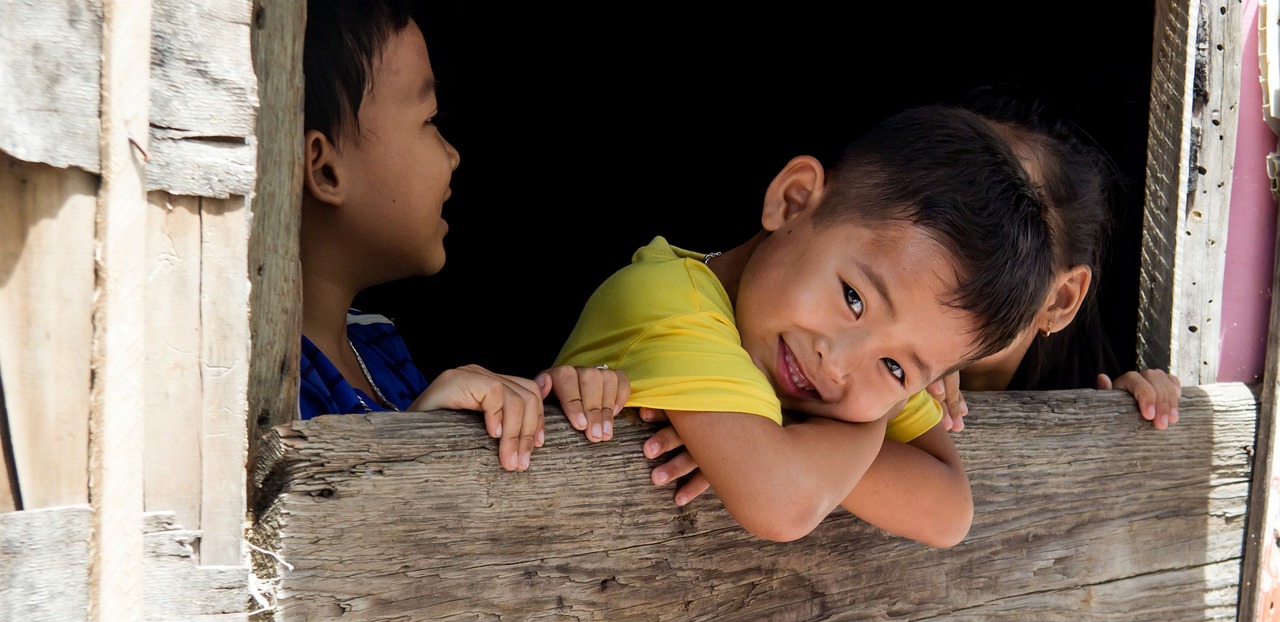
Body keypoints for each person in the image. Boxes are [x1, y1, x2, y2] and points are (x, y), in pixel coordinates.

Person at [549, 104, 1056, 546]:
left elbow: (949, 513)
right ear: (792, 200)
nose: (837, 364)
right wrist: (875, 414)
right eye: (853, 298)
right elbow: (782, 502)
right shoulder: (668, 302)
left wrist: (810, 434)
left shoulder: (832, 364)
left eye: (896, 367)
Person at [297, 0, 626, 471]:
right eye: (429, 120)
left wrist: (544, 407)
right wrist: (418, 438)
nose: (452, 155)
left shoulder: (376, 341)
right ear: (325, 170)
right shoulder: (260, 382)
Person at [928, 86, 1182, 433]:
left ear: (1061, 299)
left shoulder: (1080, 385)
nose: (943, 241)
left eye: (1000, 224)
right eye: (932, 204)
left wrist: (1126, 415)